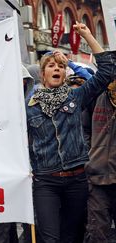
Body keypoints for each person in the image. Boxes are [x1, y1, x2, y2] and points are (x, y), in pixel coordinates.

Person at [26, 21, 115, 243]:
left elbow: (106, 71)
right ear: (43, 74)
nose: (56, 68)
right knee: (50, 238)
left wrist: (87, 35)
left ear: (64, 73)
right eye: (51, 66)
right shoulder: (29, 107)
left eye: (59, 66)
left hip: (76, 180)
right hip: (46, 181)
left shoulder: (76, 97)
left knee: (72, 236)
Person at [84, 79, 116, 242]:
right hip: (97, 178)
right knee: (97, 233)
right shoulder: (96, 94)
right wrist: (90, 154)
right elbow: (83, 128)